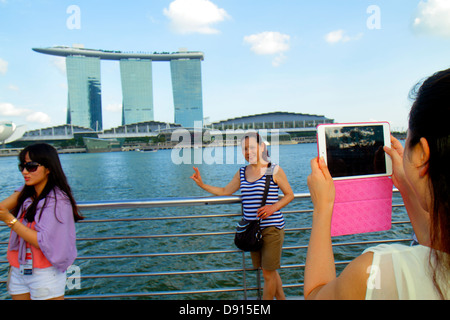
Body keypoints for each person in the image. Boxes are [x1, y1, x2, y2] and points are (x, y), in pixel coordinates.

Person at [304, 68, 450, 299]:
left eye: (408, 137)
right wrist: (404, 182)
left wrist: (322, 209)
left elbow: (315, 294)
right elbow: (437, 243)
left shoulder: (375, 272)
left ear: (422, 153)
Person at [190, 132, 294, 300]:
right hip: (252, 230)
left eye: (252, 147)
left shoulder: (273, 169)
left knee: (268, 273)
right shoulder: (242, 172)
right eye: (245, 149)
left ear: (261, 147)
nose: (248, 152)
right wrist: (202, 185)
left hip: (272, 228)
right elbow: (225, 191)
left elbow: (289, 194)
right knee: (269, 271)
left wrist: (273, 208)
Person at [0, 143, 83, 300]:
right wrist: (26, 188)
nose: (25, 172)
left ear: (48, 168)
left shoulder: (58, 200)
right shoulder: (27, 192)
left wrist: (10, 220)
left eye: (31, 167)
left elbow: (41, 240)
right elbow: (1, 208)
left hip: (45, 272)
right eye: (22, 166)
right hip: (19, 268)